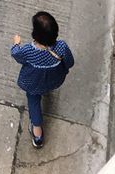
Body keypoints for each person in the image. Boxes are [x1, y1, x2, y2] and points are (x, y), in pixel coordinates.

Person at [11, 12, 75, 148]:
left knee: (34, 102)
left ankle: (38, 134)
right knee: (45, 89)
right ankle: (46, 91)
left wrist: (16, 43)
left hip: (33, 84)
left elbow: (16, 55)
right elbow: (70, 62)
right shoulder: (61, 47)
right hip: (53, 81)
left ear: (35, 34)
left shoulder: (28, 50)